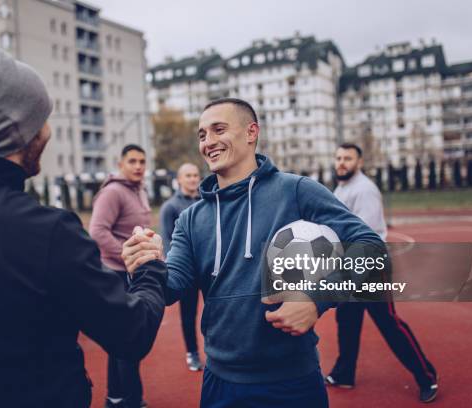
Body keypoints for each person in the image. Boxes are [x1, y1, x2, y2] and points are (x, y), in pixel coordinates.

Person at [0, 46, 167, 408]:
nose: (48, 129)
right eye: (42, 118)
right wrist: (149, 268)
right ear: (24, 131)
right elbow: (132, 334)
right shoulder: (48, 232)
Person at [123, 98, 386, 408]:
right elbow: (171, 287)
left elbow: (372, 248)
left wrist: (316, 299)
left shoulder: (297, 191)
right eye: (202, 134)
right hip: (220, 382)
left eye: (219, 129)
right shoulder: (190, 219)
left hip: (293, 380)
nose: (208, 142)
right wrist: (147, 263)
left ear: (251, 133)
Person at [326, 143, 438, 403]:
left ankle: (427, 377)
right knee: (347, 320)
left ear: (359, 162)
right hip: (350, 266)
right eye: (339, 158)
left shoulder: (364, 190)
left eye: (348, 158)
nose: (342, 162)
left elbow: (365, 235)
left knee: (389, 324)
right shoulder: (342, 188)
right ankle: (344, 373)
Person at [89, 144, 152, 408]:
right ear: (121, 164)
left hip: (132, 272)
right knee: (129, 340)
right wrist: (128, 255)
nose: (138, 166)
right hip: (116, 274)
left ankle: (115, 398)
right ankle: (132, 400)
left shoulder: (140, 190)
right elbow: (97, 231)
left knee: (120, 341)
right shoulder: (113, 192)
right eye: (132, 161)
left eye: (142, 161)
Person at [159, 163, 203, 371]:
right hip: (187, 272)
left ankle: (215, 350)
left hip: (209, 268)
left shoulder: (206, 200)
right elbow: (167, 241)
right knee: (189, 315)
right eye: (188, 176)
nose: (193, 179)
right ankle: (192, 353)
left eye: (195, 175)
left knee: (217, 309)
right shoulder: (170, 207)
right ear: (179, 179)